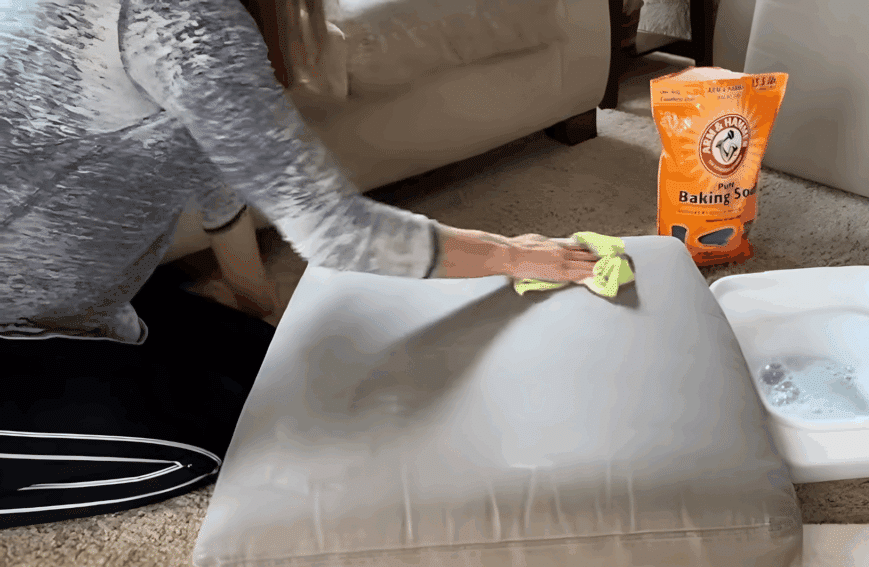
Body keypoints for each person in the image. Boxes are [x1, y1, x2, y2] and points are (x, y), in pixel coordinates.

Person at [0, 0, 599, 528]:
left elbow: (215, 173)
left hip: (81, 302)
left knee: (275, 377)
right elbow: (338, 232)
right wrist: (516, 255)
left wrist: (261, 312)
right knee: (227, 441)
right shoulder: (174, 16)